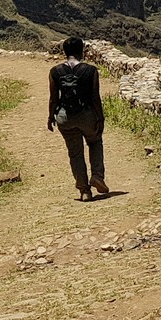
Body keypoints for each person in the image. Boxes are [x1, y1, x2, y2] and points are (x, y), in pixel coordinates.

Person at [48, 37, 108, 201]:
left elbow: (53, 98)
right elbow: (95, 97)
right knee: (95, 141)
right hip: (86, 115)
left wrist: (50, 117)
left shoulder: (55, 71)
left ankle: (84, 191)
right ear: (82, 51)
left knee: (75, 153)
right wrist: (100, 118)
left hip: (64, 117)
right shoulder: (90, 70)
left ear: (64, 52)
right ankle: (97, 176)